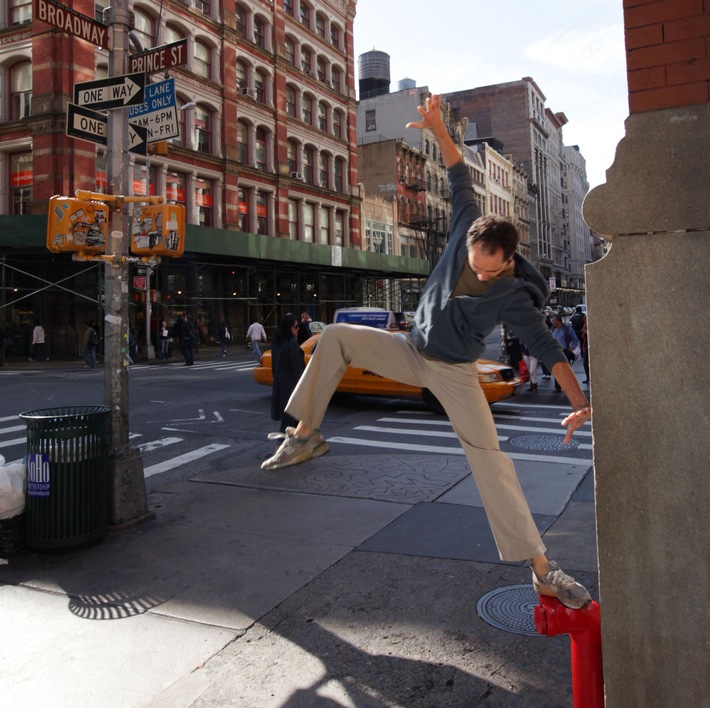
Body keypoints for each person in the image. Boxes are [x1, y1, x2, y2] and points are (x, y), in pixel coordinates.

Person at [261, 94, 592, 610]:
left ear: (507, 263)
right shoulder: (465, 223)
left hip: (455, 374)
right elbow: (460, 174)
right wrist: (438, 128)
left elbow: (548, 348)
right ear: (470, 241)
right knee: (335, 337)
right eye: (474, 264)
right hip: (409, 348)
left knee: (492, 463)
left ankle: (543, 570)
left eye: (490, 270)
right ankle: (305, 436)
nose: (479, 275)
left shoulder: (515, 295)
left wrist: (577, 401)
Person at [269, 314, 306, 433]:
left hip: (280, 386)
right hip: (292, 387)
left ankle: (291, 448)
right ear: (290, 327)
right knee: (289, 423)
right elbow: (296, 369)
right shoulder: (292, 343)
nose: (298, 329)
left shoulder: (276, 343)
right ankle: (279, 449)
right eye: (296, 326)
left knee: (291, 422)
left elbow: (274, 367)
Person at [550, 316, 580, 392]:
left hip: (564, 351)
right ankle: (557, 387)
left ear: (558, 321)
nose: (552, 322)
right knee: (556, 369)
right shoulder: (552, 329)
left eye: (553, 320)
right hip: (555, 352)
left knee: (566, 370)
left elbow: (575, 339)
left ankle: (569, 386)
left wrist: (572, 347)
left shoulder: (567, 329)